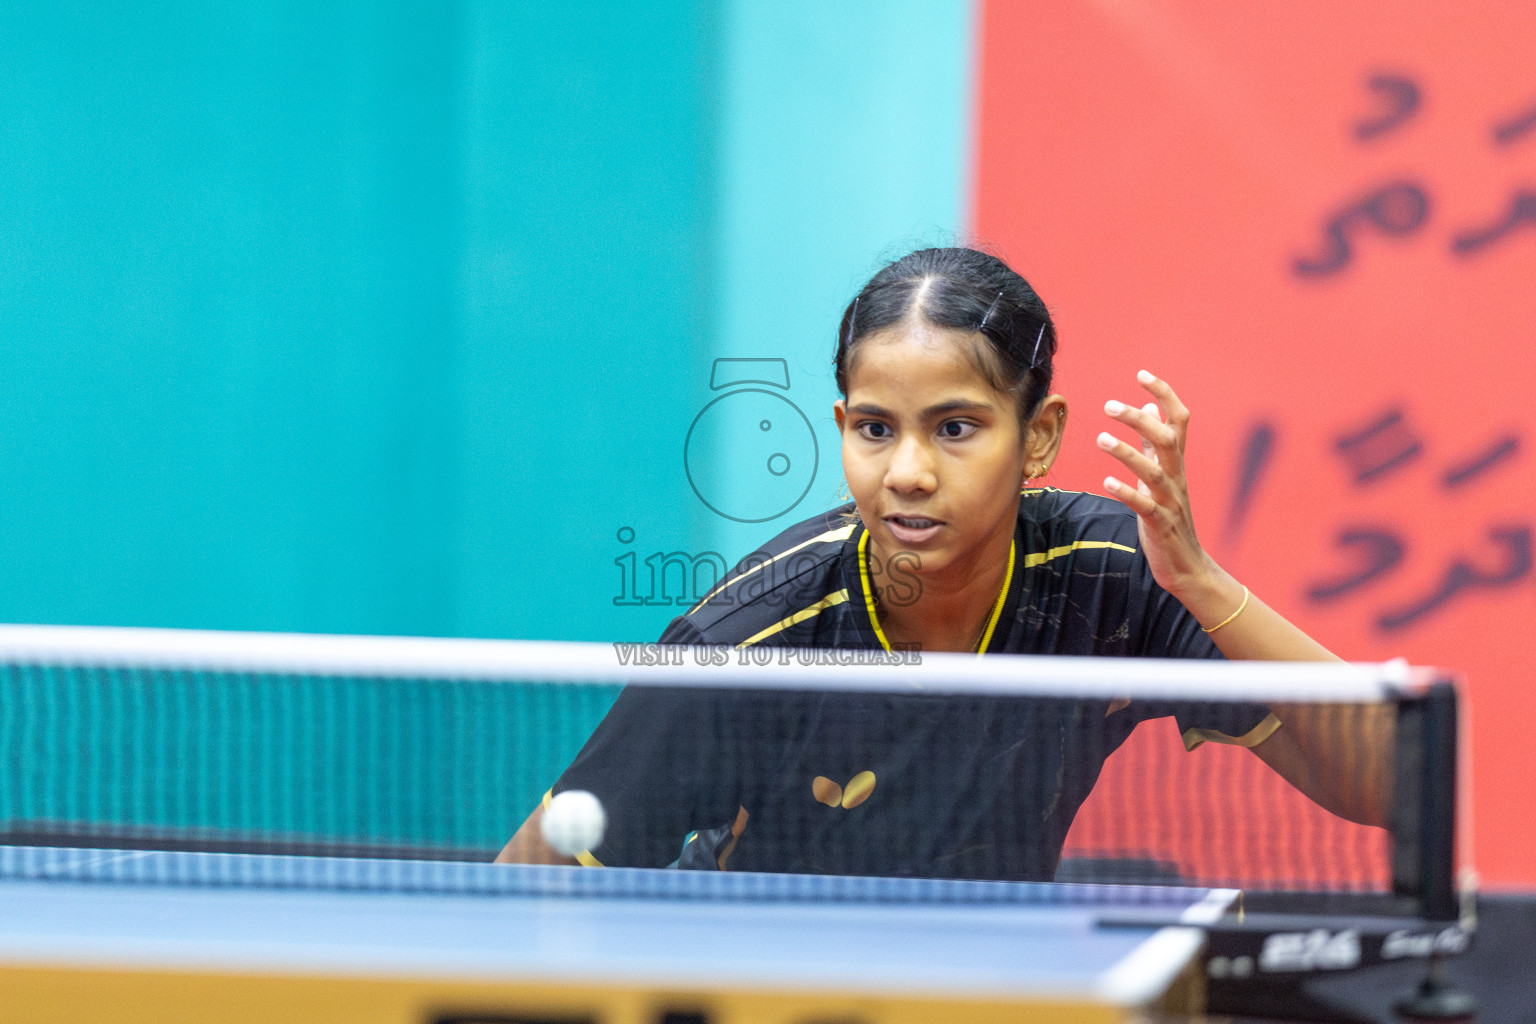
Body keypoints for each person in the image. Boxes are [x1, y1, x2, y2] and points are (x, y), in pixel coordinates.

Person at [498, 247, 1392, 880]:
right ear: (844, 428)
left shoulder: (1109, 580)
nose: (909, 473)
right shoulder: (752, 638)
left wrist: (1199, 580)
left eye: (955, 428)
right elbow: (528, 888)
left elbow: (1387, 786)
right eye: (877, 430)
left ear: (1038, 437)